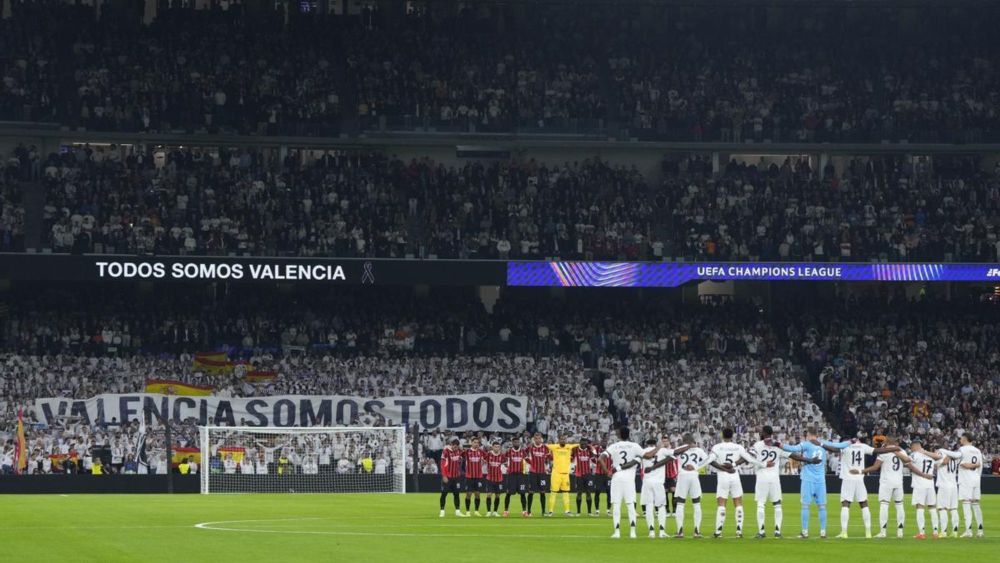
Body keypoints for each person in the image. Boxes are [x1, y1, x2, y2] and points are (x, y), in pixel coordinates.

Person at [819, 434, 899, 539]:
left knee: (845, 504)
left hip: (848, 478)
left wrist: (821, 444)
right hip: (859, 478)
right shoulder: (863, 446)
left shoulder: (845, 446)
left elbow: (833, 449)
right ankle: (868, 532)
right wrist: (893, 449)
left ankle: (844, 532)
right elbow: (877, 451)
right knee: (864, 504)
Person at [749, 425, 819, 539]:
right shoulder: (777, 445)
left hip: (762, 477)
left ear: (765, 433)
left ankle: (761, 532)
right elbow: (793, 456)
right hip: (774, 478)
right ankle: (777, 531)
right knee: (777, 504)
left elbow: (749, 457)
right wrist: (809, 460)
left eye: (762, 432)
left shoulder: (758, 445)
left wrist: (760, 464)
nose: (760, 433)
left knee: (761, 504)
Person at [861, 437, 931, 538]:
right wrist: (923, 474)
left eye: (885, 440)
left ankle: (883, 531)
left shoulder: (884, 451)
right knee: (899, 505)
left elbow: (876, 467)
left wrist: (861, 471)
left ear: (888, 441)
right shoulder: (902, 451)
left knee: (884, 505)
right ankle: (900, 531)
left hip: (886, 482)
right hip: (898, 481)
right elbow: (908, 464)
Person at [708, 427, 762, 538]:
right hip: (735, 474)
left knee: (721, 503)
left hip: (723, 475)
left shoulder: (717, 447)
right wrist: (734, 465)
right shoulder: (738, 447)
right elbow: (746, 458)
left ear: (722, 435)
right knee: (738, 502)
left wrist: (724, 469)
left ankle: (718, 531)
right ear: (732, 436)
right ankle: (739, 531)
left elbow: (711, 461)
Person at [779, 427, 832, 538]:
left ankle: (805, 532)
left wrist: (780, 445)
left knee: (805, 506)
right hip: (821, 480)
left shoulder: (806, 444)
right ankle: (823, 532)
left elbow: (792, 448)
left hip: (808, 479)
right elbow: (836, 447)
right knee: (822, 506)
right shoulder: (823, 444)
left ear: (808, 434)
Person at [600, 426, 645, 539]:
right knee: (630, 506)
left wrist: (607, 472)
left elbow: (600, 458)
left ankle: (616, 532)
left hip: (616, 478)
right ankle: (633, 532)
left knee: (616, 505)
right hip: (629, 479)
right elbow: (647, 455)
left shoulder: (614, 446)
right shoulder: (635, 446)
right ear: (629, 434)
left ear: (619, 435)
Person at [673, 433, 721, 538]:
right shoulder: (699, 450)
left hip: (682, 476)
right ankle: (697, 531)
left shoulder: (679, 449)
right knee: (696, 503)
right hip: (694, 476)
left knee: (680, 503)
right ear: (693, 441)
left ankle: (680, 531)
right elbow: (708, 460)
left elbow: (672, 456)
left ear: (683, 441)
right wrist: (697, 467)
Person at [641, 435, 688, 538]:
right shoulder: (662, 450)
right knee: (661, 506)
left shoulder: (643, 451)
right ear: (656, 443)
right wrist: (687, 446)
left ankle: (651, 532)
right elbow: (675, 452)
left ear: (647, 444)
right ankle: (662, 531)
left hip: (647, 482)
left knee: (649, 506)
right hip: (658, 482)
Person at [908, 440, 942, 539]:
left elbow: (907, 463)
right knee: (932, 507)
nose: (911, 449)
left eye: (911, 447)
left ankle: (921, 533)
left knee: (920, 507)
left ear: (914, 447)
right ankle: (935, 532)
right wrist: (926, 452)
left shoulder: (914, 454)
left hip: (919, 484)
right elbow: (939, 457)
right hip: (930, 484)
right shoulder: (930, 455)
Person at [957, 433, 985, 537]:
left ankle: (968, 531)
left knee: (966, 503)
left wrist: (973, 465)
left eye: (961, 438)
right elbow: (980, 466)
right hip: (976, 478)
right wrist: (977, 477)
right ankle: (980, 531)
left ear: (964, 439)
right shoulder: (978, 450)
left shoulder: (962, 450)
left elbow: (964, 464)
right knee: (976, 504)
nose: (960, 440)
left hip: (966, 479)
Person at [546, 433, 578, 517]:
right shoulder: (554, 446)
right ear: (559, 440)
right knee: (553, 492)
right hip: (556, 474)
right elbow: (544, 446)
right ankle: (550, 511)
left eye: (564, 439)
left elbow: (579, 445)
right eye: (561, 439)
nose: (563, 440)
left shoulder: (569, 446)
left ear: (566, 440)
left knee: (566, 493)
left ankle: (567, 511)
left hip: (565, 474)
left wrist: (590, 446)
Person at [524, 432, 552, 517]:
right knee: (531, 492)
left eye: (539, 438)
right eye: (536, 438)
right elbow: (524, 454)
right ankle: (529, 511)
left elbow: (550, 457)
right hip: (533, 472)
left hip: (542, 473)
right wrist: (530, 462)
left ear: (541, 439)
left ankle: (543, 511)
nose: (538, 440)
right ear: (533, 439)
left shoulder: (545, 447)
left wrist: (548, 461)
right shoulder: (530, 447)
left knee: (542, 492)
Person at [438, 437, 465, 517]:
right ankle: (442, 511)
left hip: (456, 477)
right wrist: (444, 475)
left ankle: (457, 511)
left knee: (456, 494)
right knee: (444, 494)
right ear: (451, 445)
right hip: (448, 477)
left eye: (457, 446)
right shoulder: (446, 451)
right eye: (454, 446)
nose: (455, 448)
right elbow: (442, 464)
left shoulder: (459, 451)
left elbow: (464, 454)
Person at [502, 436, 528, 517]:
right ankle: (506, 511)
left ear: (519, 443)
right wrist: (505, 464)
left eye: (517, 442)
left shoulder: (523, 452)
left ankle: (524, 511)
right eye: (515, 442)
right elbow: (503, 459)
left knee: (523, 494)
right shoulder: (509, 451)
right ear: (512, 443)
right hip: (511, 476)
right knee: (508, 493)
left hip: (521, 476)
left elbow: (528, 460)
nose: (516, 443)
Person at [572, 438, 597, 516]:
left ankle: (589, 512)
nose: (583, 445)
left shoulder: (589, 451)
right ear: (579, 443)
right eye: (582, 444)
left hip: (588, 475)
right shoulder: (575, 450)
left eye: (585, 444)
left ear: (587, 444)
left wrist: (591, 447)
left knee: (588, 493)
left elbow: (595, 459)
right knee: (579, 493)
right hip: (579, 475)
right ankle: (578, 512)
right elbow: (571, 457)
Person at [462, 437, 487, 516]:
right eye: (475, 442)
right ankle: (468, 511)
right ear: (471, 443)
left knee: (477, 494)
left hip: (478, 476)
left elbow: (488, 457)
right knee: (468, 494)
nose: (476, 444)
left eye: (477, 442)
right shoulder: (467, 452)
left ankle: (476, 511)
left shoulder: (481, 452)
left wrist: (484, 461)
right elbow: (459, 455)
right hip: (469, 476)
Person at [483, 441, 506, 517]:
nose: (497, 448)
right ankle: (489, 511)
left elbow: (505, 463)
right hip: (490, 478)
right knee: (489, 495)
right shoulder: (488, 455)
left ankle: (495, 511)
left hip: (499, 478)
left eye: (498, 447)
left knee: (498, 495)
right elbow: (483, 460)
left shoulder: (502, 456)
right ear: (492, 447)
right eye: (495, 447)